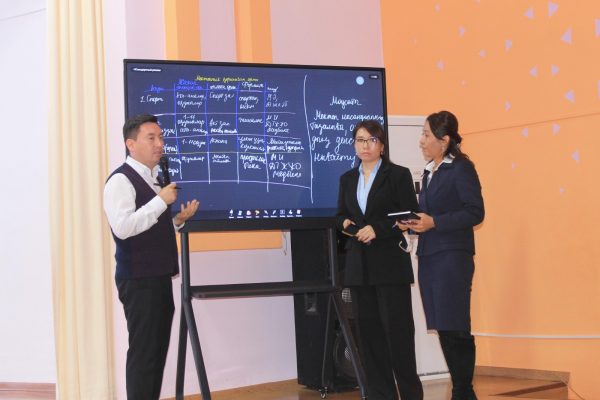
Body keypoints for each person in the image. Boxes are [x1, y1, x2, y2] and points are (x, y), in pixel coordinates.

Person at [103, 114, 199, 399]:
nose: (160, 144)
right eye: (151, 138)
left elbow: (147, 225)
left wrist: (177, 220)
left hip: (157, 277)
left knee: (156, 354)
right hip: (139, 280)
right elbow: (123, 228)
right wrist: (160, 202)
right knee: (144, 355)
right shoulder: (120, 181)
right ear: (131, 144)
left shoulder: (153, 178)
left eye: (161, 137)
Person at [399, 111, 484, 400]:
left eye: (426, 135)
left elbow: (475, 212)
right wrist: (413, 222)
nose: (421, 141)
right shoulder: (429, 171)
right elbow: (430, 213)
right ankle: (461, 389)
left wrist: (435, 222)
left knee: (456, 324)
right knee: (444, 325)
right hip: (429, 256)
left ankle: (464, 391)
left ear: (444, 140)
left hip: (452, 257)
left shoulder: (461, 168)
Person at [336, 120, 423, 400]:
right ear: (354, 145)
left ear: (382, 146)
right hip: (359, 269)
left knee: (398, 337)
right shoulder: (347, 179)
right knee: (369, 340)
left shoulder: (397, 175)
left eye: (372, 140)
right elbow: (340, 216)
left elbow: (409, 215)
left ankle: (410, 395)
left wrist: (378, 228)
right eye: (360, 140)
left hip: (390, 267)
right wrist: (347, 225)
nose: (365, 145)